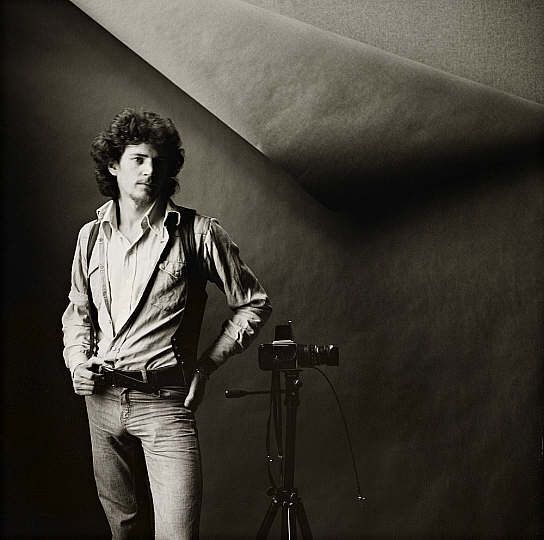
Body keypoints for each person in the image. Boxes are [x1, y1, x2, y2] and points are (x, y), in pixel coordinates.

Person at [61, 108, 272, 539]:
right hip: (100, 401)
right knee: (123, 531)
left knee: (176, 534)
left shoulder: (199, 233)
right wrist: (77, 361)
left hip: (165, 403)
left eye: (158, 161)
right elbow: (78, 311)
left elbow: (254, 304)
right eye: (138, 159)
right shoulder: (91, 236)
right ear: (113, 165)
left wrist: (205, 366)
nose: (149, 171)